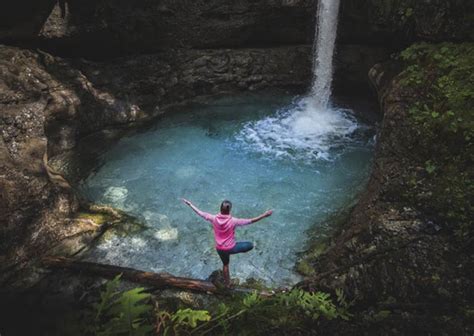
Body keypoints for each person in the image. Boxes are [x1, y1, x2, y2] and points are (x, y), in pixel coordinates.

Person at [181, 198, 272, 287]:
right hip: (231, 248)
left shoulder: (213, 218)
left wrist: (190, 204)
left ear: (220, 209)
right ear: (230, 210)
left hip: (220, 249)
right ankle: (238, 255)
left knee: (225, 264)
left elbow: (200, 213)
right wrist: (264, 215)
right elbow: (251, 221)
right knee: (250, 245)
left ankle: (227, 283)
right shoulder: (233, 221)